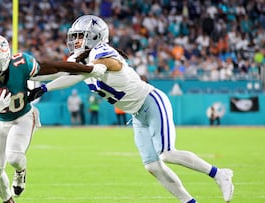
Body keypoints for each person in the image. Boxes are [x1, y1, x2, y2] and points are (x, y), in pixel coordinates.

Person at [28, 15, 234, 203]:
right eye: (75, 37)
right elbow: (64, 72)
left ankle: (219, 173)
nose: (75, 41)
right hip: (136, 114)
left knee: (167, 153)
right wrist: (35, 81)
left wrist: (92, 68)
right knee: (152, 166)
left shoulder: (102, 51)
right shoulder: (80, 60)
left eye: (80, 36)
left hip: (150, 101)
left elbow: (110, 65)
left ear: (95, 37)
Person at [0, 33, 106, 203]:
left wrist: (89, 69)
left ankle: (20, 173)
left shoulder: (20, 65)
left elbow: (54, 68)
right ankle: (8, 201)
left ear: (4, 60)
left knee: (14, 158)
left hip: (23, 117)